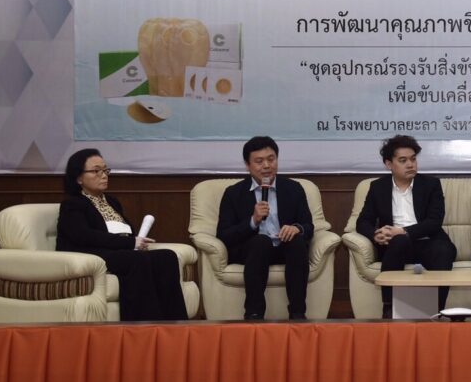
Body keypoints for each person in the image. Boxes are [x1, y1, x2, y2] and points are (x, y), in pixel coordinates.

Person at [56, 148, 188, 321]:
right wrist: (130, 243)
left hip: (118, 250)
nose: (104, 175)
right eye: (96, 171)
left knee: (167, 257)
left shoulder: (112, 202)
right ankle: (144, 324)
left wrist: (135, 241)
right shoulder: (72, 204)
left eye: (105, 170)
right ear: (79, 178)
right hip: (92, 253)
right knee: (137, 260)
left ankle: (177, 324)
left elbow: (125, 230)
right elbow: (84, 236)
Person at [356, 135, 457, 318]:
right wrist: (375, 234)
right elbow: (363, 221)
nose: (410, 164)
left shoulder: (431, 184)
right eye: (403, 160)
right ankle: (388, 308)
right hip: (397, 246)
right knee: (399, 241)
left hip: (428, 241)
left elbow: (434, 221)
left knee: (443, 250)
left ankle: (437, 311)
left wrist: (403, 230)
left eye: (413, 159)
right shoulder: (378, 187)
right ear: (389, 164)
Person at [217, 136, 314, 320]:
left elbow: (308, 225)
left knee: (296, 242)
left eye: (271, 159)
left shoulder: (294, 188)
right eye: (259, 161)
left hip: (284, 247)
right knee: (261, 242)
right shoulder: (233, 193)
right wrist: (253, 221)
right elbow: (224, 234)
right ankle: (254, 314)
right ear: (247, 165)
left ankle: (298, 313)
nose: (267, 166)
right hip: (253, 250)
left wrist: (296, 228)